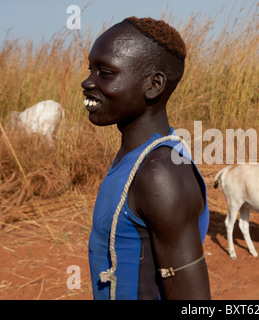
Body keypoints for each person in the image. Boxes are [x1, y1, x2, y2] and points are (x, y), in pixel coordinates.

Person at [82, 17, 210, 300]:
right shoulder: (133, 160)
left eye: (105, 72)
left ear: (153, 85)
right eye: (90, 69)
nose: (87, 81)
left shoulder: (160, 174)